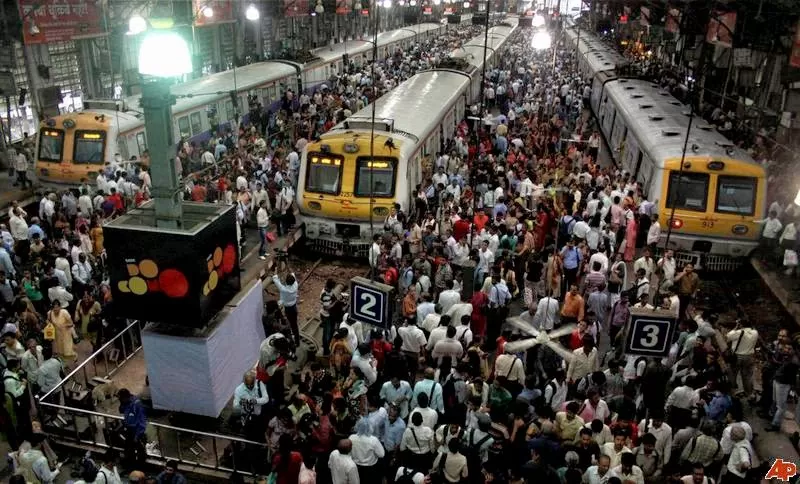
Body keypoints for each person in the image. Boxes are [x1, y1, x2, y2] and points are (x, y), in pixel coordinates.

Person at [118, 388, 147, 468]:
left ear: (125, 397)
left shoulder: (136, 404)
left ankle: (140, 467)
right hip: (129, 430)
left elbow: (142, 422)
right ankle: (131, 465)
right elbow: (121, 411)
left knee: (140, 451)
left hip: (137, 432)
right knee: (129, 449)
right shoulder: (126, 403)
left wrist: (137, 436)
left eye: (121, 399)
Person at [273, 271, 300, 346]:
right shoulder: (295, 285)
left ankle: (289, 340)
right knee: (294, 325)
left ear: (286, 282)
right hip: (294, 307)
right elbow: (292, 274)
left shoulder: (284, 289)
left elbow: (276, 281)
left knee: (288, 323)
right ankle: (297, 342)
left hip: (288, 309)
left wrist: (275, 274)